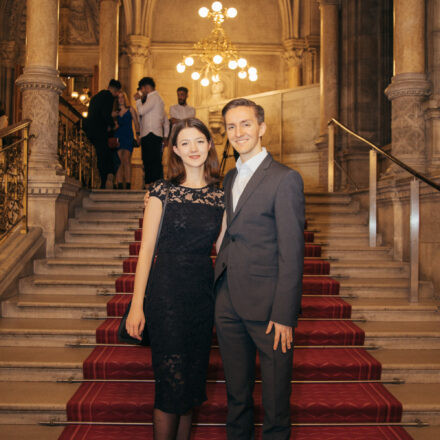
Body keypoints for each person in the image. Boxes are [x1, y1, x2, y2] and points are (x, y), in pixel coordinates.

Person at [125, 118, 224, 439]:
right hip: (165, 294)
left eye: (199, 141)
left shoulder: (220, 197)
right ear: (175, 150)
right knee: (170, 383)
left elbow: (224, 253)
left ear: (209, 145)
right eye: (185, 143)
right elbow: (146, 251)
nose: (193, 148)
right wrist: (136, 307)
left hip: (201, 296)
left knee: (191, 384)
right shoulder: (160, 192)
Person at [214, 98, 305, 440]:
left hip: (269, 309)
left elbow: (293, 253)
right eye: (231, 127)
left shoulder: (285, 179)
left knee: (276, 400)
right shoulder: (229, 178)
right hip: (227, 302)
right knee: (236, 396)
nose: (238, 132)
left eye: (246, 124)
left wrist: (285, 314)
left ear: (262, 128)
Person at [83, 79, 121, 189]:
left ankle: (103, 181)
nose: (117, 95)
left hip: (92, 131)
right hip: (100, 131)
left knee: (101, 155)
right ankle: (105, 181)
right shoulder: (108, 97)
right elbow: (105, 114)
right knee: (104, 156)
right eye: (117, 92)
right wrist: (113, 124)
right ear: (115, 90)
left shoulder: (96, 97)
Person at [134, 77, 169, 188]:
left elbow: (141, 110)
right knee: (148, 161)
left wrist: (138, 100)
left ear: (145, 88)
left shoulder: (154, 97)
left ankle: (154, 185)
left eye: (141, 89)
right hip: (148, 134)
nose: (141, 92)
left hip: (152, 134)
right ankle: (151, 184)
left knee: (152, 161)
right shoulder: (153, 99)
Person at [114, 91, 140, 190]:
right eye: (119, 98)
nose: (120, 99)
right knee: (119, 161)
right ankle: (120, 183)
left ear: (125, 99)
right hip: (118, 136)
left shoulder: (131, 110)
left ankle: (128, 184)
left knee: (126, 159)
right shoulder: (115, 112)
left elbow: (136, 123)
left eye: (122, 97)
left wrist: (138, 136)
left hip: (128, 136)